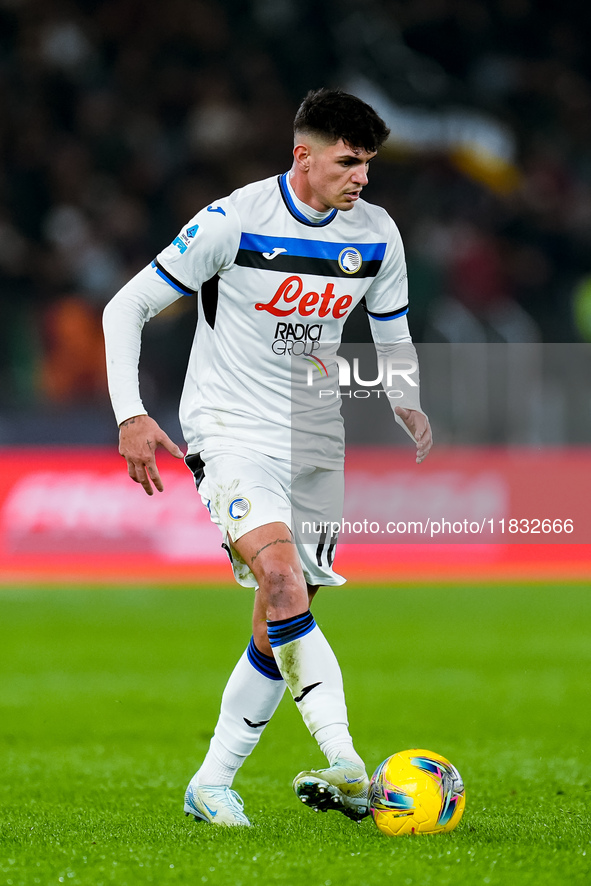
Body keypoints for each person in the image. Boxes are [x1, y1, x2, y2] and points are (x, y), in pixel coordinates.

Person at [103, 88, 432, 827]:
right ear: (303, 157)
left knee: (281, 614)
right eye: (349, 162)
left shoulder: (377, 234)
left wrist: (404, 398)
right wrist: (131, 413)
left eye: (369, 165)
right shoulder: (233, 221)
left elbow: (392, 330)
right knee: (281, 580)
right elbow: (124, 306)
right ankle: (347, 761)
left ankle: (211, 783)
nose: (362, 178)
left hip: (315, 436)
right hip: (231, 429)